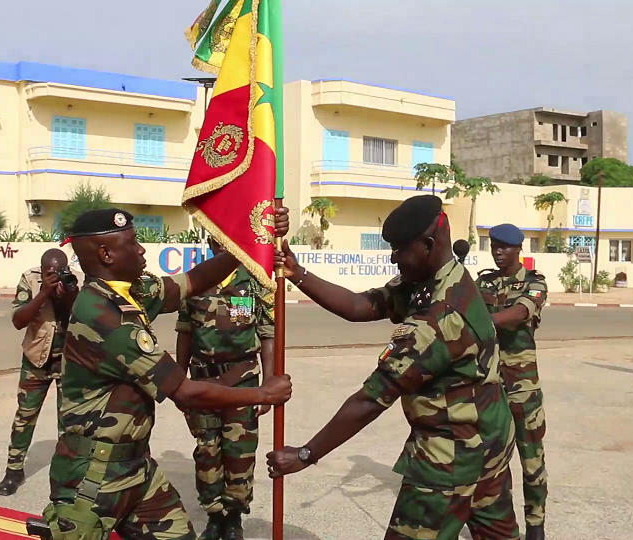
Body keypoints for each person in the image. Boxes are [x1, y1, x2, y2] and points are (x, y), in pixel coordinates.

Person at [266, 195, 519, 540]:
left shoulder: (438, 318)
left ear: (428, 245)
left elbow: (371, 400)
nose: (393, 257)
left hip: (447, 463)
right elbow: (362, 305)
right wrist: (298, 274)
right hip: (490, 447)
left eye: (400, 249)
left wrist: (306, 455)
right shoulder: (442, 279)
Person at [34, 208, 292, 540]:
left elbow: (193, 281)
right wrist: (264, 393)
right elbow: (184, 391)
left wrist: (255, 241)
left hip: (136, 469)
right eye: (133, 244)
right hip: (93, 477)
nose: (141, 250)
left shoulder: (131, 290)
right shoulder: (104, 316)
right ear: (106, 254)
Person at [175, 237, 275, 540]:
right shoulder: (195, 280)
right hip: (203, 383)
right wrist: (179, 380)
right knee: (207, 452)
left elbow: (267, 335)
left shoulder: (255, 281)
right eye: (217, 243)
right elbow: (185, 333)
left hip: (241, 382)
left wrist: (269, 383)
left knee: (239, 453)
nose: (223, 248)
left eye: (228, 242)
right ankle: (214, 515)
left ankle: (234, 517)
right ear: (210, 244)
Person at [475, 224, 549, 540]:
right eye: (494, 246)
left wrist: (478, 321)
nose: (497, 251)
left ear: (519, 248)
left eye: (504, 246)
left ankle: (536, 525)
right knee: (490, 462)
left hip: (523, 388)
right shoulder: (483, 282)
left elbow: (518, 315)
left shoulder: (535, 283)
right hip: (489, 386)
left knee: (531, 463)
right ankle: (500, 526)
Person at [0, 248, 80, 496]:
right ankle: (14, 471)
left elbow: (84, 317)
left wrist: (68, 294)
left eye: (61, 271)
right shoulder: (29, 279)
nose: (56, 275)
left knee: (69, 422)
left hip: (69, 360)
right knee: (24, 417)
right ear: (42, 269)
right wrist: (43, 293)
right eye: (50, 272)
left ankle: (68, 475)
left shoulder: (78, 279)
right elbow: (18, 320)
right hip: (36, 359)